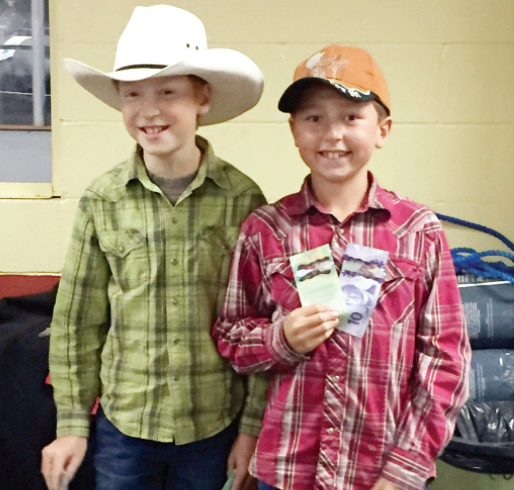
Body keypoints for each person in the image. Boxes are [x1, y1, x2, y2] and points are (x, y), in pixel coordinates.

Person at [212, 45, 471, 490]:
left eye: (351, 117)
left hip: (380, 472)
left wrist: (404, 469)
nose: (332, 134)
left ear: (382, 130)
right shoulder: (266, 229)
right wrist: (281, 338)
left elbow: (445, 362)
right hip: (289, 470)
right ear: (294, 131)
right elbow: (231, 334)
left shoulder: (417, 230)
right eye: (314, 118)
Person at [41, 5, 267, 490]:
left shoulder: (243, 199)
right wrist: (72, 424)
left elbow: (261, 319)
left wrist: (252, 428)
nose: (149, 110)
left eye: (168, 92)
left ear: (202, 98)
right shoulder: (103, 200)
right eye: (133, 94)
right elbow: (76, 321)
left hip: (213, 423)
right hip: (126, 425)